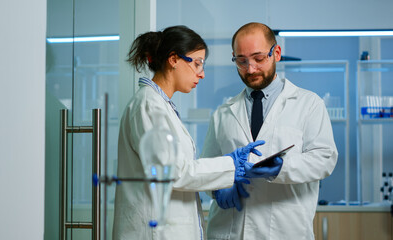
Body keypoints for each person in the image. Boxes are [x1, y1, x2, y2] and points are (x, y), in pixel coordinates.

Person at [112, 25, 265, 240]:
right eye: (197, 63)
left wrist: (228, 166)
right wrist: (230, 164)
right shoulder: (149, 105)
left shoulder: (160, 106)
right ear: (173, 59)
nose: (201, 74)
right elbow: (174, 172)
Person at [201, 22, 338, 240]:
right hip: (230, 230)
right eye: (241, 60)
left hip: (285, 231)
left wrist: (281, 168)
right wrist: (217, 190)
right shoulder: (223, 112)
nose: (251, 68)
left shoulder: (309, 104)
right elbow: (206, 166)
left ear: (277, 53)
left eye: (258, 58)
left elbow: (325, 159)